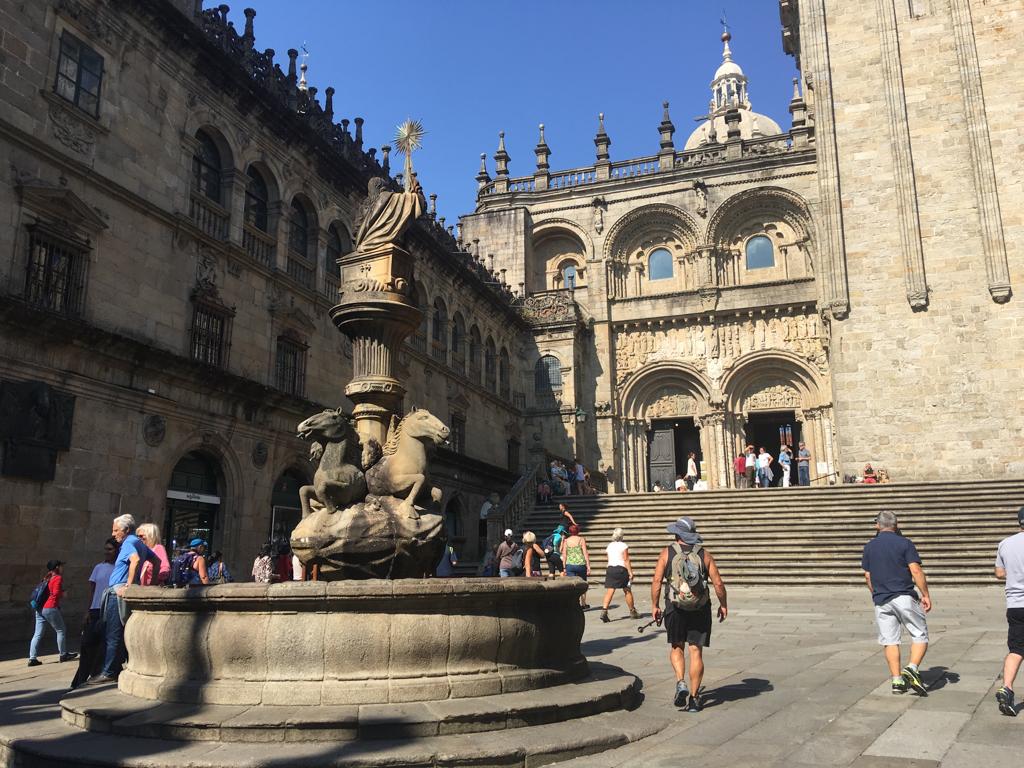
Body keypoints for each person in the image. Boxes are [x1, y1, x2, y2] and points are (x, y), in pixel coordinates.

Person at [651, 516, 727, 712]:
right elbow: (718, 583)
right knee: (696, 651)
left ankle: (680, 682)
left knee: (677, 647)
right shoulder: (704, 554)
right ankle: (694, 699)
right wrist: (723, 604)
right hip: (699, 607)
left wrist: (655, 606)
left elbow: (657, 582)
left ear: (677, 534)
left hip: (675, 607)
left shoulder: (666, 553)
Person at [861, 511, 932, 695]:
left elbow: (867, 576)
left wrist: (875, 593)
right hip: (903, 595)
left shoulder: (870, 546)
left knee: (890, 640)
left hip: (881, 599)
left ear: (878, 525)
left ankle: (897, 680)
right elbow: (916, 570)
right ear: (896, 525)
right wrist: (925, 594)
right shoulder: (905, 543)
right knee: (919, 634)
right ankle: (912, 667)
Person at [91, 514, 157, 683]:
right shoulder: (138, 543)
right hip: (123, 591)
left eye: (116, 530)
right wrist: (150, 583)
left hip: (117, 593)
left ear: (126, 530)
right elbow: (155, 561)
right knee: (120, 632)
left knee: (112, 634)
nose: (113, 534)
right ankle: (115, 667)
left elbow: (134, 560)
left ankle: (109, 671)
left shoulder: (128, 543)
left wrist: (128, 584)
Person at [994, 506, 1024, 717]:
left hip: (1015, 604)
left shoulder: (1005, 543)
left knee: (1016, 649)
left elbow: (999, 572)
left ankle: (1007, 686)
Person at [28, 560, 77, 666]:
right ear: (57, 567)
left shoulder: (47, 577)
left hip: (40, 608)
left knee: (38, 633)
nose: (62, 568)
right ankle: (63, 654)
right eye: (61, 566)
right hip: (50, 607)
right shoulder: (57, 578)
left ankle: (32, 658)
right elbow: (55, 593)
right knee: (61, 630)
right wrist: (63, 593)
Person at [600, 528, 639, 623]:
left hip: (610, 568)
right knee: (627, 590)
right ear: (622, 536)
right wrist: (630, 572)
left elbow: (608, 558)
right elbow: (626, 559)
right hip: (621, 569)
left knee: (610, 590)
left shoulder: (609, 545)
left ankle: (604, 611)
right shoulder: (623, 545)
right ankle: (632, 611)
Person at [87, 539, 117, 625]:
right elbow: (92, 591)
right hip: (96, 608)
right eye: (106, 549)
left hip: (111, 609)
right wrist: (88, 611)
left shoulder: (119, 569)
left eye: (110, 549)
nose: (107, 552)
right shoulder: (98, 567)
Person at [560, 524, 591, 608]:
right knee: (583, 584)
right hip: (581, 564)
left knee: (572, 585)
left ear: (570, 532)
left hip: (570, 565)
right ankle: (583, 604)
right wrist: (588, 566)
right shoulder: (581, 540)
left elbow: (564, 555)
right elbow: (585, 553)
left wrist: (564, 567)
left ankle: (574, 603)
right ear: (578, 531)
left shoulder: (566, 541)